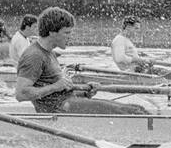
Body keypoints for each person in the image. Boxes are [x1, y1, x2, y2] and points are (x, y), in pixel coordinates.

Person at [14, 7, 147, 115]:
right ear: (52, 32)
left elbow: (58, 91)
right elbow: (21, 94)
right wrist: (55, 86)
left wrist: (84, 93)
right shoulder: (34, 55)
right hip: (59, 110)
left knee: (137, 109)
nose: (70, 37)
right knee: (133, 112)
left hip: (67, 103)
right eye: (67, 33)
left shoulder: (49, 53)